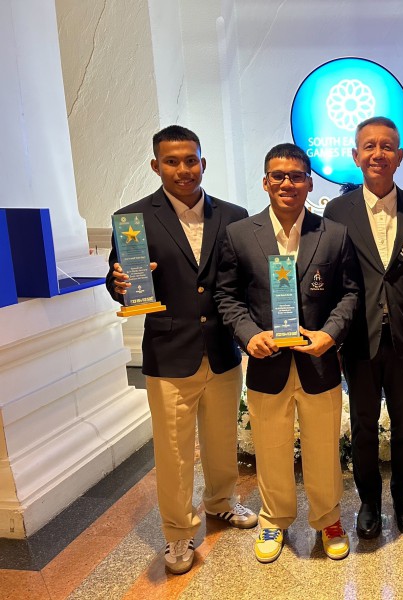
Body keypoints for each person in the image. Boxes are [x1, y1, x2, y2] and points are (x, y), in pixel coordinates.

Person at [106, 125, 256, 575]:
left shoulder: (234, 216)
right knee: (173, 450)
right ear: (156, 166)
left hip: (222, 349)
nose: (183, 169)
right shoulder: (132, 219)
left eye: (191, 160)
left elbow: (243, 280)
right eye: (171, 161)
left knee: (222, 437)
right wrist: (118, 284)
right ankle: (177, 531)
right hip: (169, 351)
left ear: (202, 163)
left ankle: (220, 502)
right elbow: (119, 280)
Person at [215, 143, 360, 563]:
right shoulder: (240, 234)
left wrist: (330, 335)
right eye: (278, 176)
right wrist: (248, 335)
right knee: (271, 447)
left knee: (323, 448)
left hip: (318, 361)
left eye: (296, 176)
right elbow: (227, 296)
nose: (287, 183)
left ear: (309, 183)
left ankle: (328, 519)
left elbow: (350, 295)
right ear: (265, 182)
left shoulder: (333, 234)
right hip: (267, 363)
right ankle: (274, 520)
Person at [324, 117, 403, 539]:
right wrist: (331, 332)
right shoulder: (337, 211)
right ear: (356, 155)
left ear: (400, 155)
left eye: (387, 146)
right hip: (358, 337)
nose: (379, 154)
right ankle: (369, 501)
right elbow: (333, 276)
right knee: (362, 424)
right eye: (370, 146)